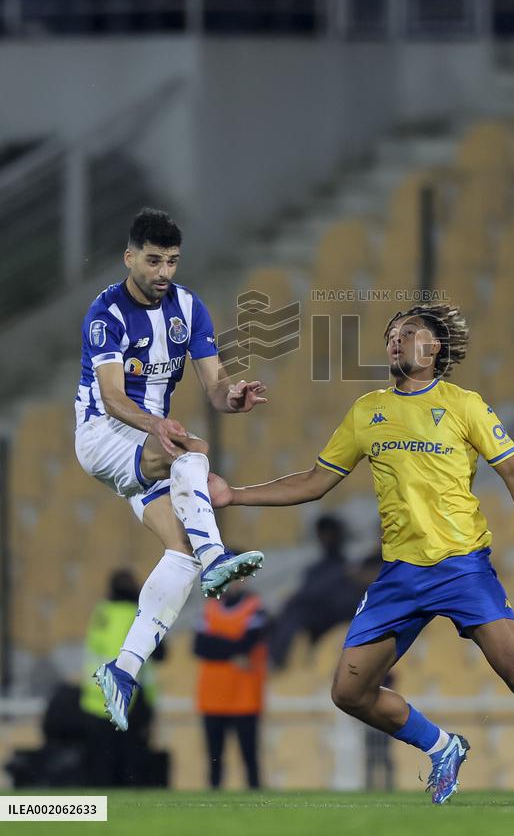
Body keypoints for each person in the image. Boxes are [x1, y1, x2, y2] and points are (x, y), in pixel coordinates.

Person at [214, 303, 514, 805]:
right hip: (398, 574)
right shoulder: (366, 411)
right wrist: (233, 494)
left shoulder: (464, 405)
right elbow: (313, 482)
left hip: (463, 567)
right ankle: (442, 746)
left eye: (409, 333)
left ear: (435, 348)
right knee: (348, 693)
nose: (395, 340)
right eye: (391, 334)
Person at [74, 207, 266, 732]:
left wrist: (233, 394)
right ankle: (216, 555)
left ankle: (123, 669)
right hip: (104, 437)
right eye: (154, 261)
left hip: (150, 441)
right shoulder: (105, 313)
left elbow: (214, 384)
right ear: (130, 257)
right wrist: (157, 425)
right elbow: (112, 397)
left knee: (176, 553)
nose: (163, 272)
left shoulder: (188, 308)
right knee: (190, 445)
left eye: (172, 262)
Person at [79, 569, 166, 786]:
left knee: (101, 765)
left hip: (95, 697)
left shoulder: (101, 613)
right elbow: (161, 653)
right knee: (130, 763)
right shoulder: (136, 615)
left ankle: (97, 812)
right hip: (129, 697)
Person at [193, 579, 269, 789]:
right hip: (213, 695)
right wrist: (233, 651)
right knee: (214, 757)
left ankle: (256, 797)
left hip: (244, 696)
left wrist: (217, 644)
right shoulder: (210, 608)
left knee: (249, 755)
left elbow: (247, 644)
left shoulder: (255, 607)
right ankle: (213, 799)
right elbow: (199, 647)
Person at [270, 515, 361, 668]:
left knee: (297, 611)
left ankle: (280, 660)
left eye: (330, 534)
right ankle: (278, 659)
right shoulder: (314, 570)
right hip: (311, 617)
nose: (325, 538)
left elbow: (344, 602)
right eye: (322, 534)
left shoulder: (349, 569)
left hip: (332, 617)